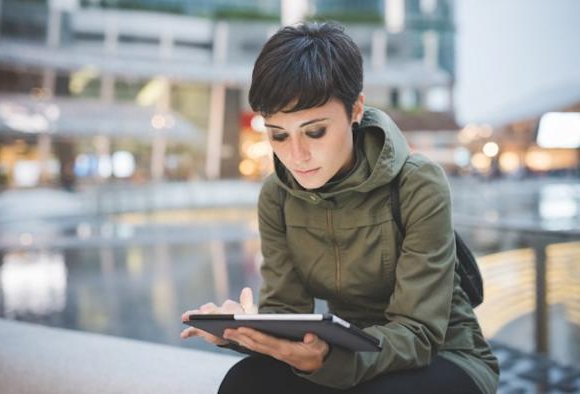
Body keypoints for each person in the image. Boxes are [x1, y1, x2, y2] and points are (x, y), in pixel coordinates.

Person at [181, 22, 499, 394]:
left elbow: (419, 333)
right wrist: (241, 330)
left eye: (315, 131)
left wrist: (329, 359)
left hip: (442, 354)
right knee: (245, 382)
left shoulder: (418, 183)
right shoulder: (277, 196)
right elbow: (287, 313)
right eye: (278, 135)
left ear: (356, 109)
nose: (296, 156)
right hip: (343, 352)